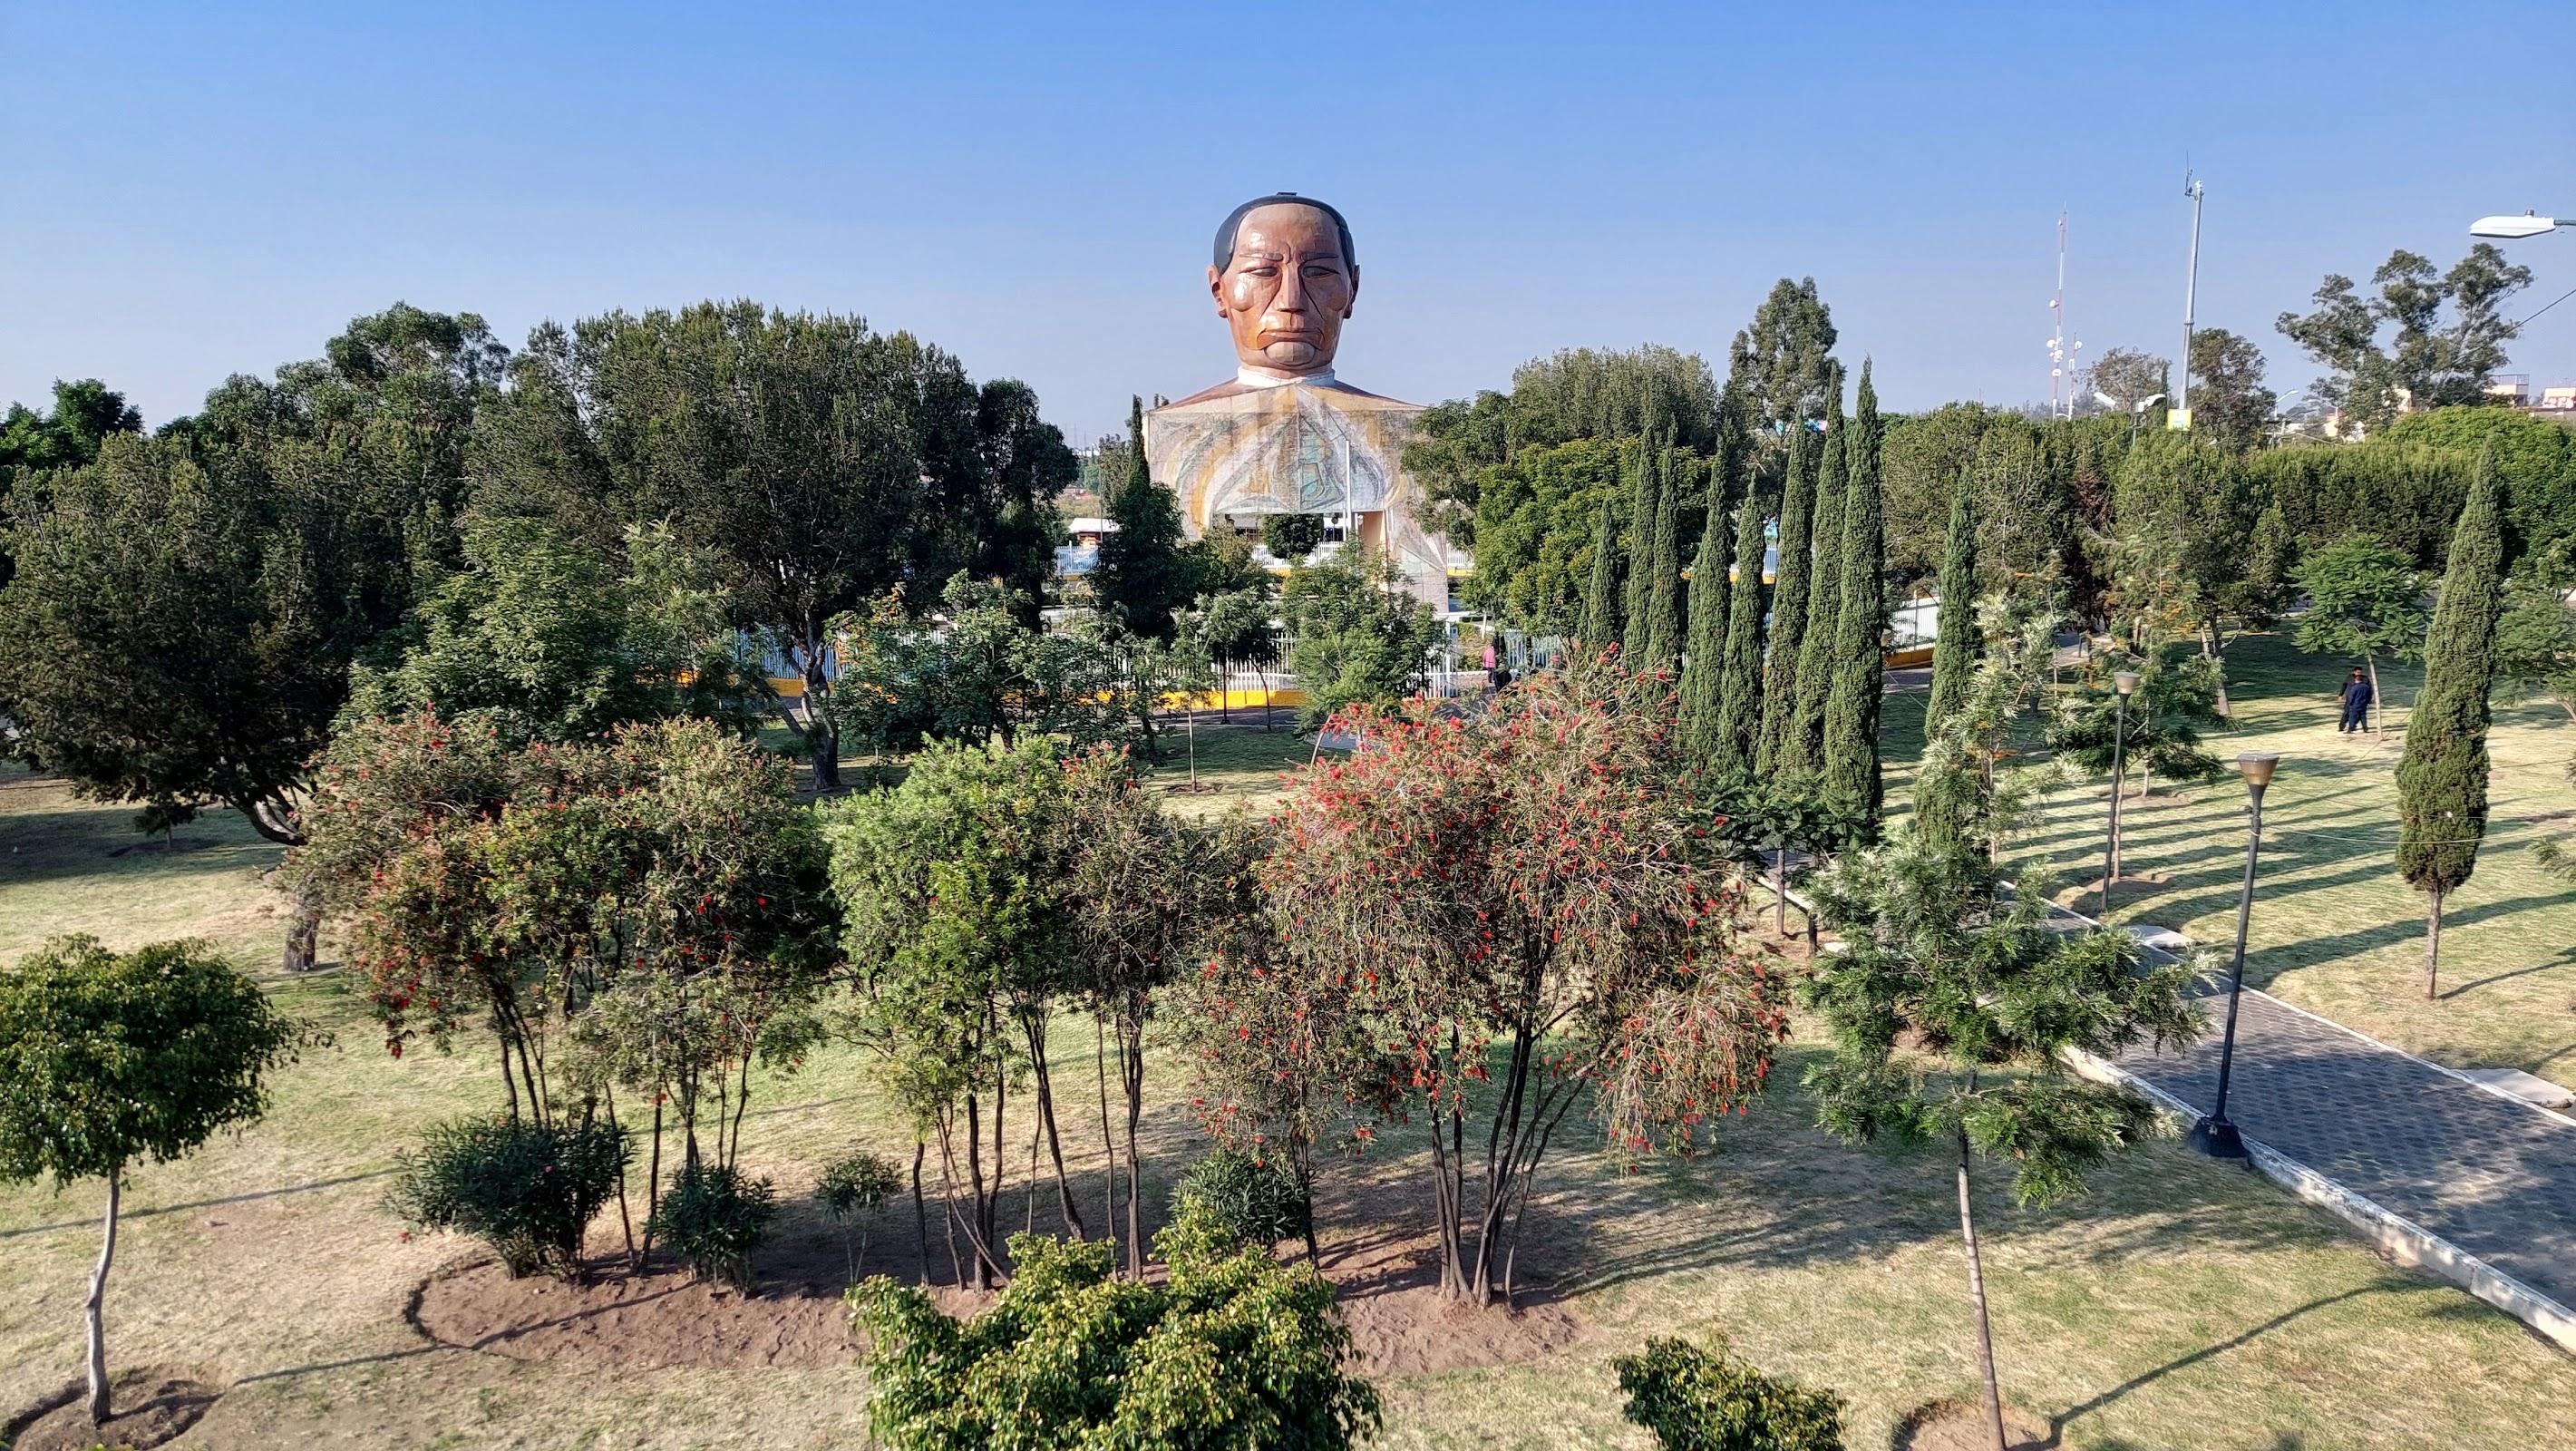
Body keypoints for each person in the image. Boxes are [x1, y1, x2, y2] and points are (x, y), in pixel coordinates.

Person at [2337, 666, 2374, 733]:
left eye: (2360, 672)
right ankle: (2342, 726)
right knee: (2346, 713)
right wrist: (2340, 695)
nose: (2359, 673)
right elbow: (2344, 685)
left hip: (2362, 700)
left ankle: (2353, 727)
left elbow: (2370, 690)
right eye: (2358, 672)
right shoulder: (2350, 677)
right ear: (2354, 672)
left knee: (2360, 715)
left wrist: (2369, 699)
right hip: (2350, 699)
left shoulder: (2365, 678)